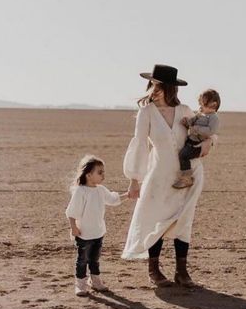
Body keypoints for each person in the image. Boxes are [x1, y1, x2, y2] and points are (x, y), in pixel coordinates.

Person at [122, 64, 214, 288]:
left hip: (188, 173)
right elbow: (140, 145)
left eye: (160, 86)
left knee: (184, 220)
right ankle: (154, 270)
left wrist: (209, 142)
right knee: (157, 219)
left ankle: (181, 272)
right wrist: (135, 179)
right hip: (160, 175)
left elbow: (205, 131)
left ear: (170, 88)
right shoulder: (146, 113)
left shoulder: (184, 110)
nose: (155, 89)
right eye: (153, 85)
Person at [66, 155, 128, 296]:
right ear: (88, 175)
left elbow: (113, 199)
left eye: (103, 172)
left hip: (98, 232)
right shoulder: (81, 191)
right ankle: (80, 284)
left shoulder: (101, 189)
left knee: (95, 259)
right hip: (83, 233)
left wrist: (128, 195)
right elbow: (72, 212)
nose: (103, 175)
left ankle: (95, 281)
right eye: (99, 172)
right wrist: (73, 227)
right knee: (82, 260)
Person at [173, 89, 220, 189]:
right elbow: (193, 120)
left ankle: (186, 178)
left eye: (203, 103)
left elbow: (210, 131)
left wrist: (195, 128)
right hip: (191, 140)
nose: (201, 106)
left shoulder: (213, 118)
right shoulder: (201, 113)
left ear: (213, 104)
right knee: (182, 153)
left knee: (183, 156)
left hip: (198, 144)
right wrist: (187, 122)